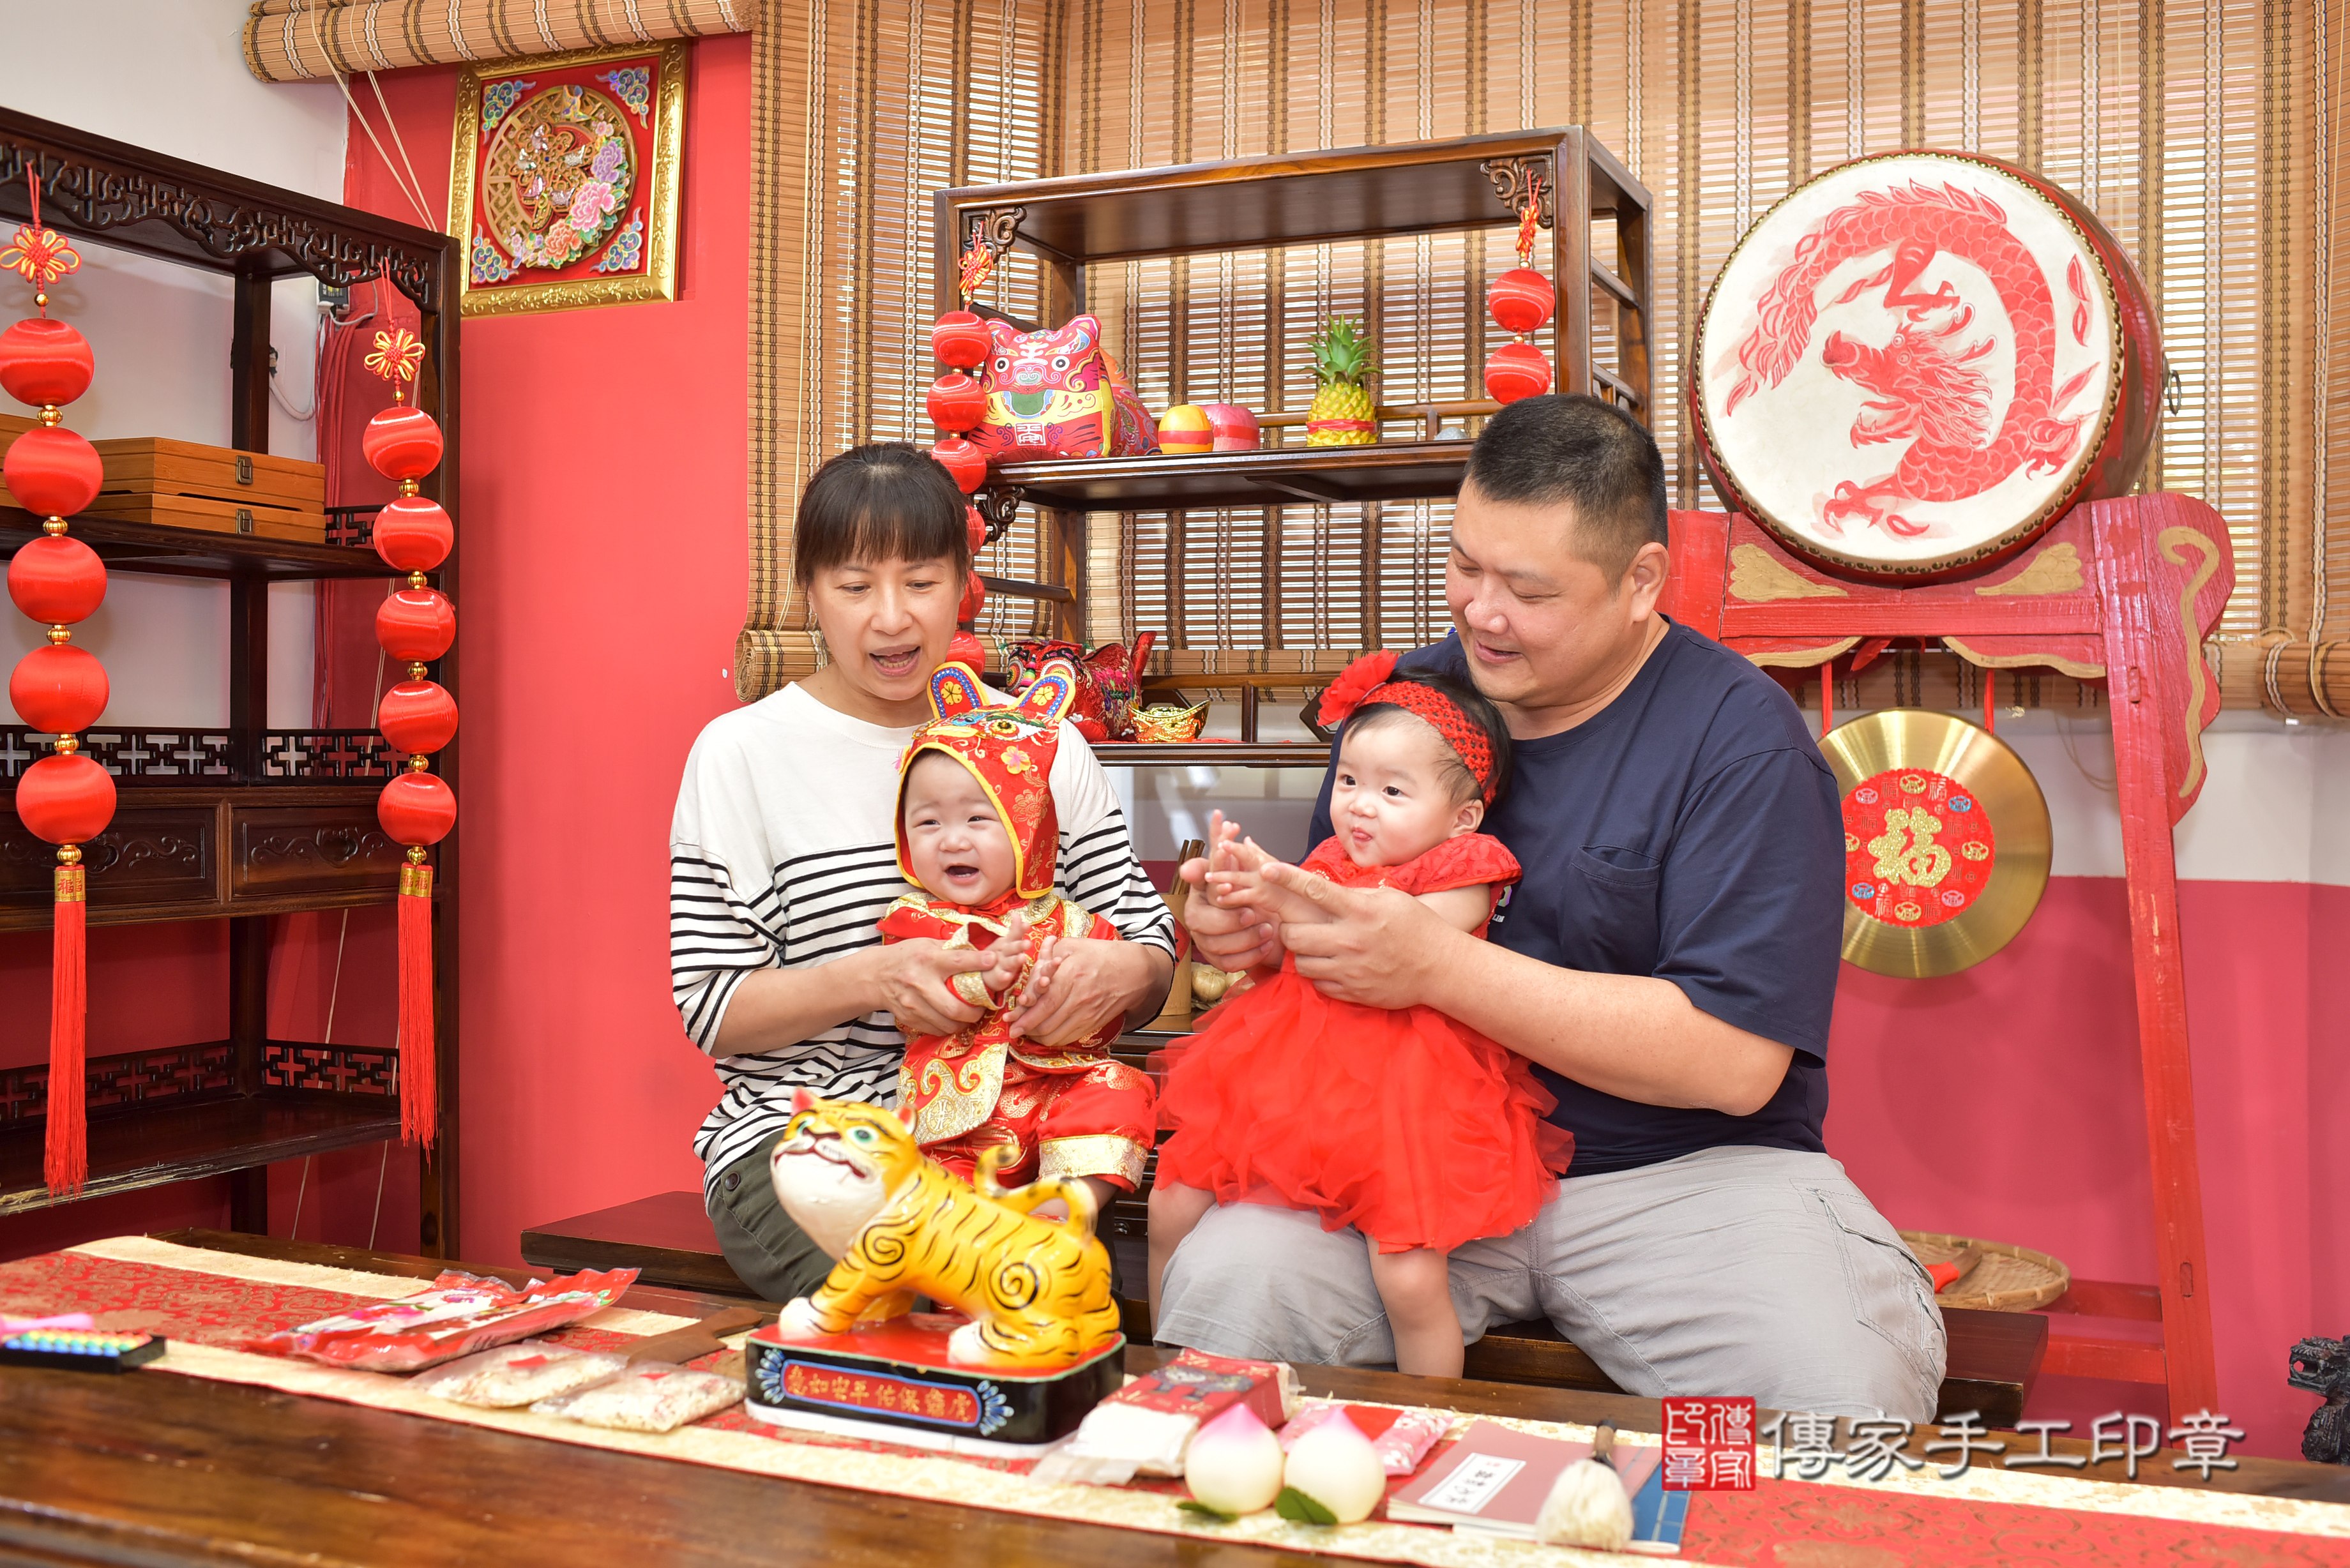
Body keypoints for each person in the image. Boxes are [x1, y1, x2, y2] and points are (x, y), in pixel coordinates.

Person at [1158, 395, 1946, 1420]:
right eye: (1464, 567)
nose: (1480, 612)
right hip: (1394, 1152)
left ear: (1640, 583)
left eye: (1527, 589)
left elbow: (1736, 1064)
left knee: (1838, 1385)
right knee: (1231, 1294)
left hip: (1678, 1177)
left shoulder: (1740, 742)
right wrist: (1252, 935)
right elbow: (1333, 917)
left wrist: (1442, 968)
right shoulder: (1413, 708)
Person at [670, 443, 1176, 1304]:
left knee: (1069, 1304)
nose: (892, 619)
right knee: (953, 1297)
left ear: (965, 585)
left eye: (922, 581)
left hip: (1021, 1131)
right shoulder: (742, 754)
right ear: (809, 595)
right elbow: (714, 1010)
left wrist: (1120, 971)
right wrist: (877, 977)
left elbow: (1151, 952)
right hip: (816, 1139)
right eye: (856, 586)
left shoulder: (1040, 743)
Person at [1147, 658, 1572, 1377]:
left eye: (1392, 789)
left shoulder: (1467, 865)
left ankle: (1428, 1414)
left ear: (1461, 814)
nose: (1359, 805)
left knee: (1408, 1279)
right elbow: (1286, 945)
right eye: (1348, 780)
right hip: (1288, 1071)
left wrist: (1285, 890)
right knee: (1169, 1207)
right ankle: (1163, 1378)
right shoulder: (1329, 857)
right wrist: (1240, 892)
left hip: (1407, 1093)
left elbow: (1412, 935)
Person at [883, 660, 1158, 1209]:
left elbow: (1107, 1002)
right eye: (929, 823)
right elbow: (915, 1007)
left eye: (979, 820)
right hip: (956, 1121)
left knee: (1124, 1089)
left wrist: (1068, 996)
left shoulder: (1073, 920)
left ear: (1029, 829)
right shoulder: (914, 918)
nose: (952, 841)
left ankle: (1064, 1205)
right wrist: (987, 976)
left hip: (1055, 1094)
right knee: (944, 1211)